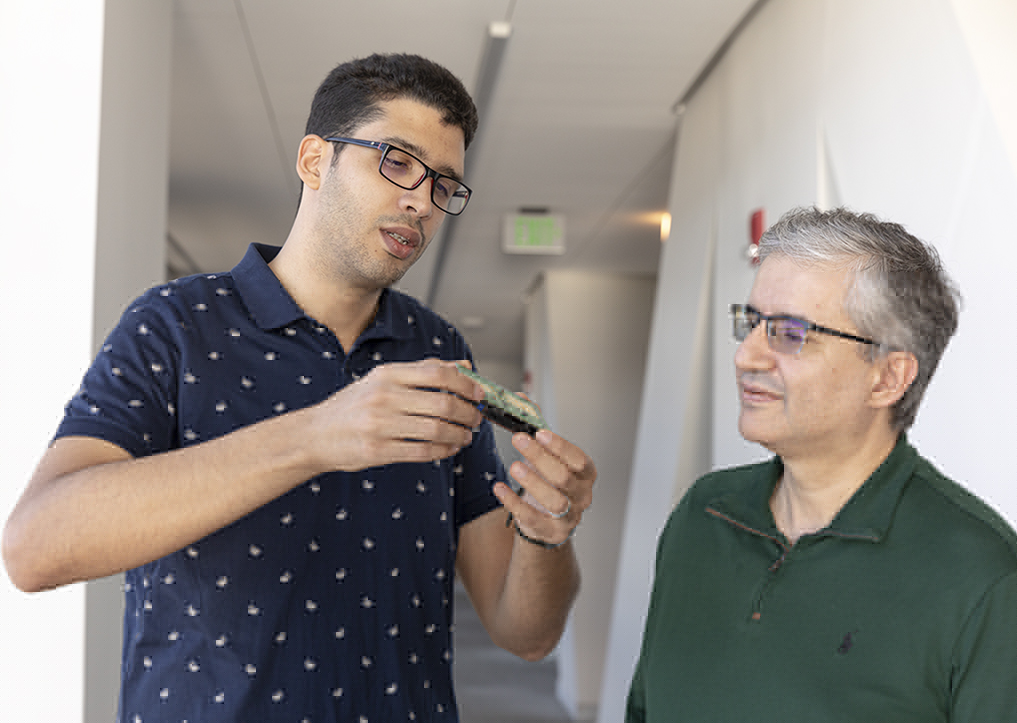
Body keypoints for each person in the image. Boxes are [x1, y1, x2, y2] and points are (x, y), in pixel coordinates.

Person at [2, 53, 596, 723]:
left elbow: (526, 634)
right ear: (315, 160)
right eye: (397, 161)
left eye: (443, 184)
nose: (420, 201)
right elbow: (33, 548)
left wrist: (547, 535)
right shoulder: (174, 325)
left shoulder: (439, 352)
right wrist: (316, 434)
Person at [626, 206, 1017, 722]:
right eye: (752, 323)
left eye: (790, 333)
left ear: (887, 378)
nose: (745, 356)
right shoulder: (703, 513)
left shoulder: (985, 576)